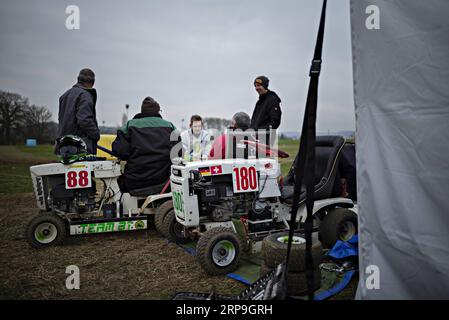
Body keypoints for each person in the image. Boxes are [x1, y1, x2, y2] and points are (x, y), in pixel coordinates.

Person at [112, 97, 176, 192]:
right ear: (158, 111)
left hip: (134, 182)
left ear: (142, 111)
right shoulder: (171, 127)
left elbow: (119, 151)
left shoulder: (129, 126)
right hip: (163, 182)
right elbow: (178, 155)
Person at [57, 68, 100, 154]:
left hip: (63, 147)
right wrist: (96, 134)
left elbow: (60, 119)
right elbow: (84, 120)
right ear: (92, 82)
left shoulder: (64, 96)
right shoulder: (85, 95)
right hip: (80, 148)